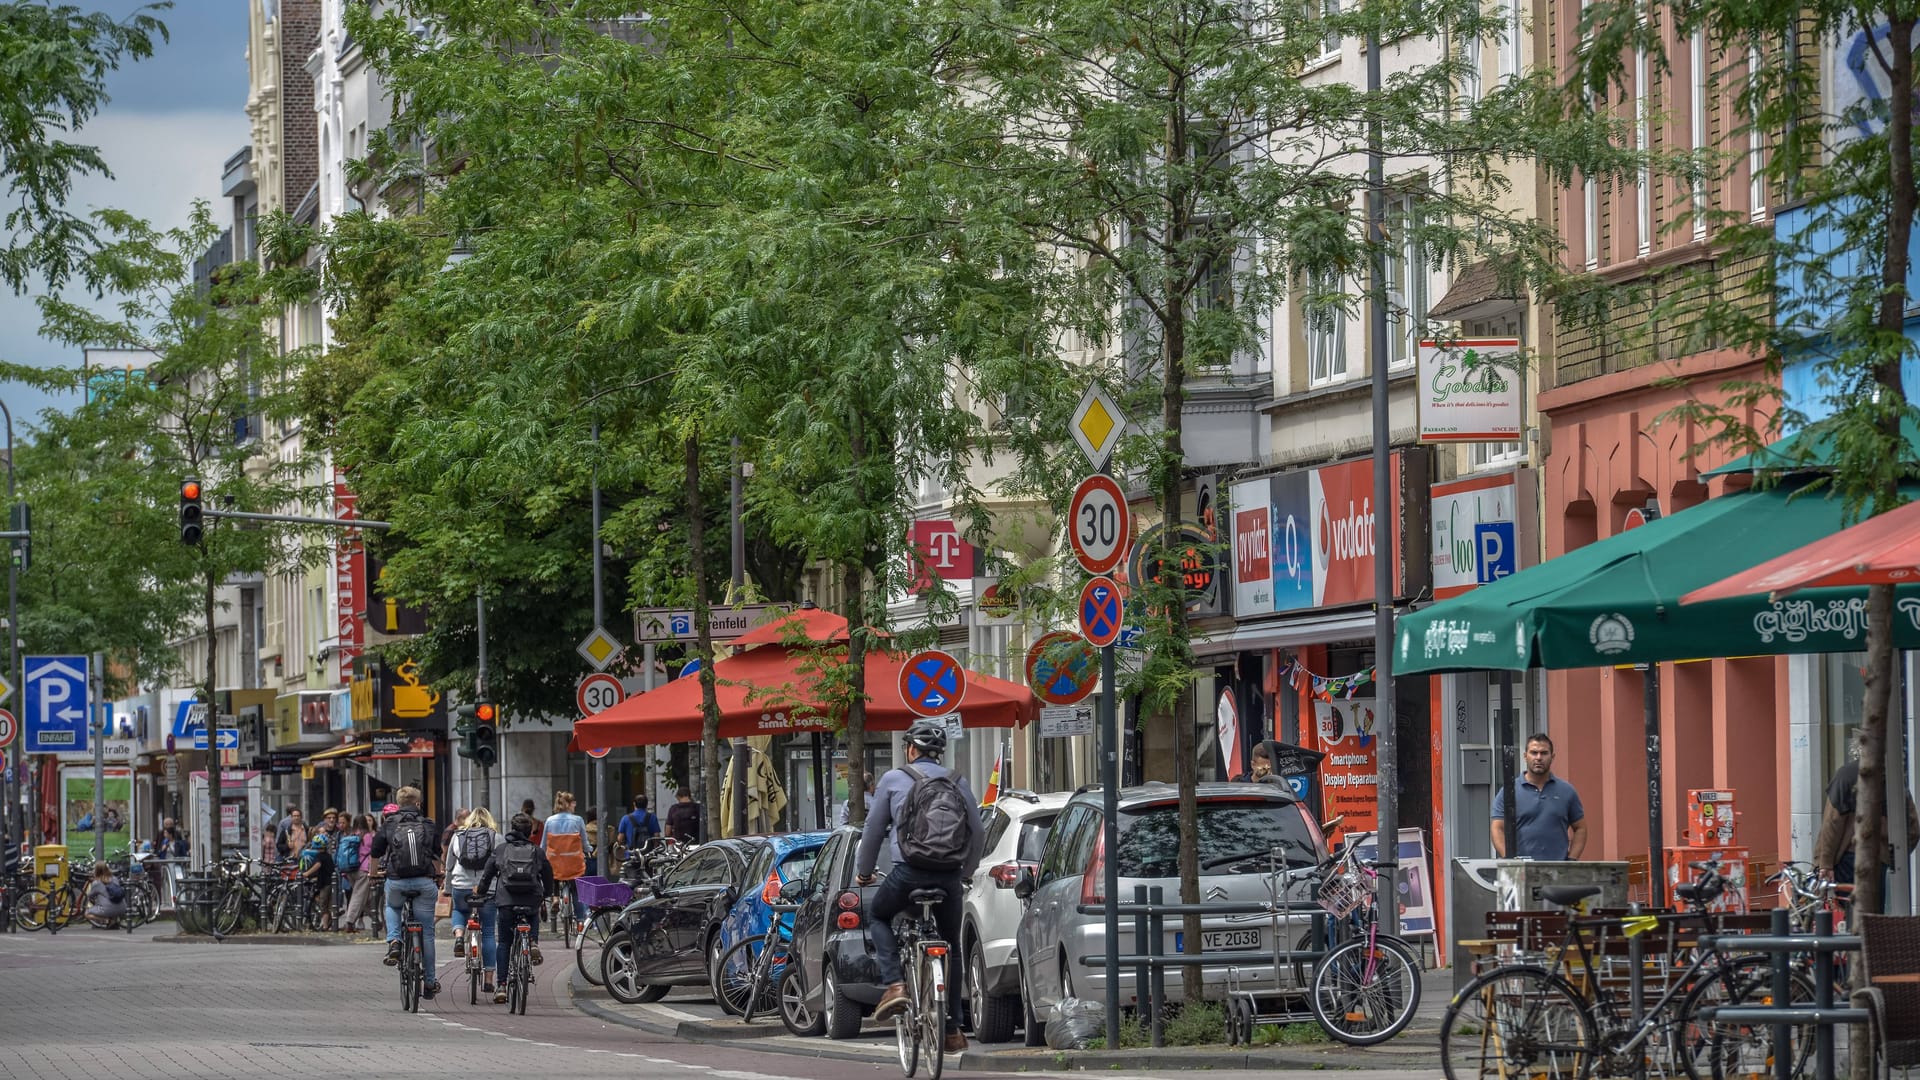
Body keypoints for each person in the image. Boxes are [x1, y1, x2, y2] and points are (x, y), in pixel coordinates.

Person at [855, 718, 985, 1055]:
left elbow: (872, 832)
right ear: (940, 753)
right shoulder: (958, 781)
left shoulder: (894, 779)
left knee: (879, 916)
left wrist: (864, 872)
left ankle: (895, 984)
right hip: (949, 876)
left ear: (910, 749)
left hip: (908, 872)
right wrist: (965, 871)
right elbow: (978, 832)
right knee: (952, 944)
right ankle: (953, 1028)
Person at [1814, 745, 1920, 898]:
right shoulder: (1894, 780)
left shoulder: (1846, 775)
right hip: (1880, 860)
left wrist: (1825, 864)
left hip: (1848, 859)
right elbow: (1913, 827)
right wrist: (1894, 856)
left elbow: (1832, 824)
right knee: (1874, 912)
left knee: (1848, 912)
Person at [474, 812, 555, 1004]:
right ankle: (533, 942)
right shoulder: (537, 851)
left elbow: (487, 874)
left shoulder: (502, 850)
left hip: (506, 900)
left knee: (504, 943)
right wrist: (547, 894)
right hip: (531, 898)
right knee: (533, 912)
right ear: (529, 831)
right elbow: (548, 875)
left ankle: (501, 986)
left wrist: (481, 892)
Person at [371, 786, 442, 997]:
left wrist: (373, 874)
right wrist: (438, 875)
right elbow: (437, 853)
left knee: (392, 906)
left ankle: (394, 941)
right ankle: (429, 982)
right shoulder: (428, 824)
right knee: (427, 932)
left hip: (397, 881)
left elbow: (376, 851)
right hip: (424, 882)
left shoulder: (390, 824)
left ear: (399, 804)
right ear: (419, 804)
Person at [1490, 733, 1588, 860]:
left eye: (1544, 753)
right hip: (1521, 872)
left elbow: (1580, 828)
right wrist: (1510, 860)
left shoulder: (1567, 791)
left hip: (1557, 873)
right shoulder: (1509, 791)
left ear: (1552, 757)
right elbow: (1497, 828)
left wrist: (1571, 860)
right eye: (1534, 752)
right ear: (1525, 756)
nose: (1538, 757)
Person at [448, 807, 503, 999]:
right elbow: (502, 865)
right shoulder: (496, 837)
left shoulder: (458, 835)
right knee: (488, 931)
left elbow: (449, 865)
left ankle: (459, 935)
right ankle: (489, 980)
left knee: (460, 910)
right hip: (487, 888)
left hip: (461, 886)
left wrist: (448, 889)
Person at [542, 792, 588, 928]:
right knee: (576, 891)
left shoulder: (549, 821)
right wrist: (589, 850)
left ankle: (555, 897)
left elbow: (543, 844)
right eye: (573, 803)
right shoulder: (578, 820)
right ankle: (580, 921)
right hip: (574, 863)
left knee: (553, 873)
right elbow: (584, 843)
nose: (575, 805)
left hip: (555, 862)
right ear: (568, 804)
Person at [341, 813, 378, 933]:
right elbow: (372, 853)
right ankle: (349, 922)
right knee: (358, 896)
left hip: (350, 869)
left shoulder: (351, 834)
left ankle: (376, 922)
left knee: (365, 898)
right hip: (363, 869)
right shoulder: (367, 836)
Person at [84, 863, 126, 927]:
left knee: (87, 914)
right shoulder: (115, 878)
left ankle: (107, 920)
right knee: (110, 903)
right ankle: (114, 921)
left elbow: (90, 896)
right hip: (122, 908)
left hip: (107, 909)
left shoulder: (96, 883)